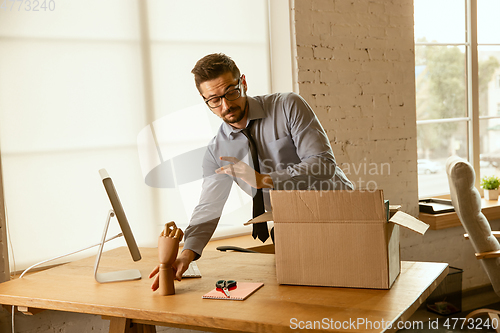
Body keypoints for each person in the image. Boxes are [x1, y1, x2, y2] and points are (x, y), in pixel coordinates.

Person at [149, 53, 353, 290]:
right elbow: (209, 207)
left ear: (243, 83)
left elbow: (323, 163)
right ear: (205, 100)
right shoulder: (217, 151)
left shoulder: (287, 105)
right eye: (214, 100)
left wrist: (263, 180)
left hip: (343, 216)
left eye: (231, 92)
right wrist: (187, 253)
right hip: (294, 227)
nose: (225, 106)